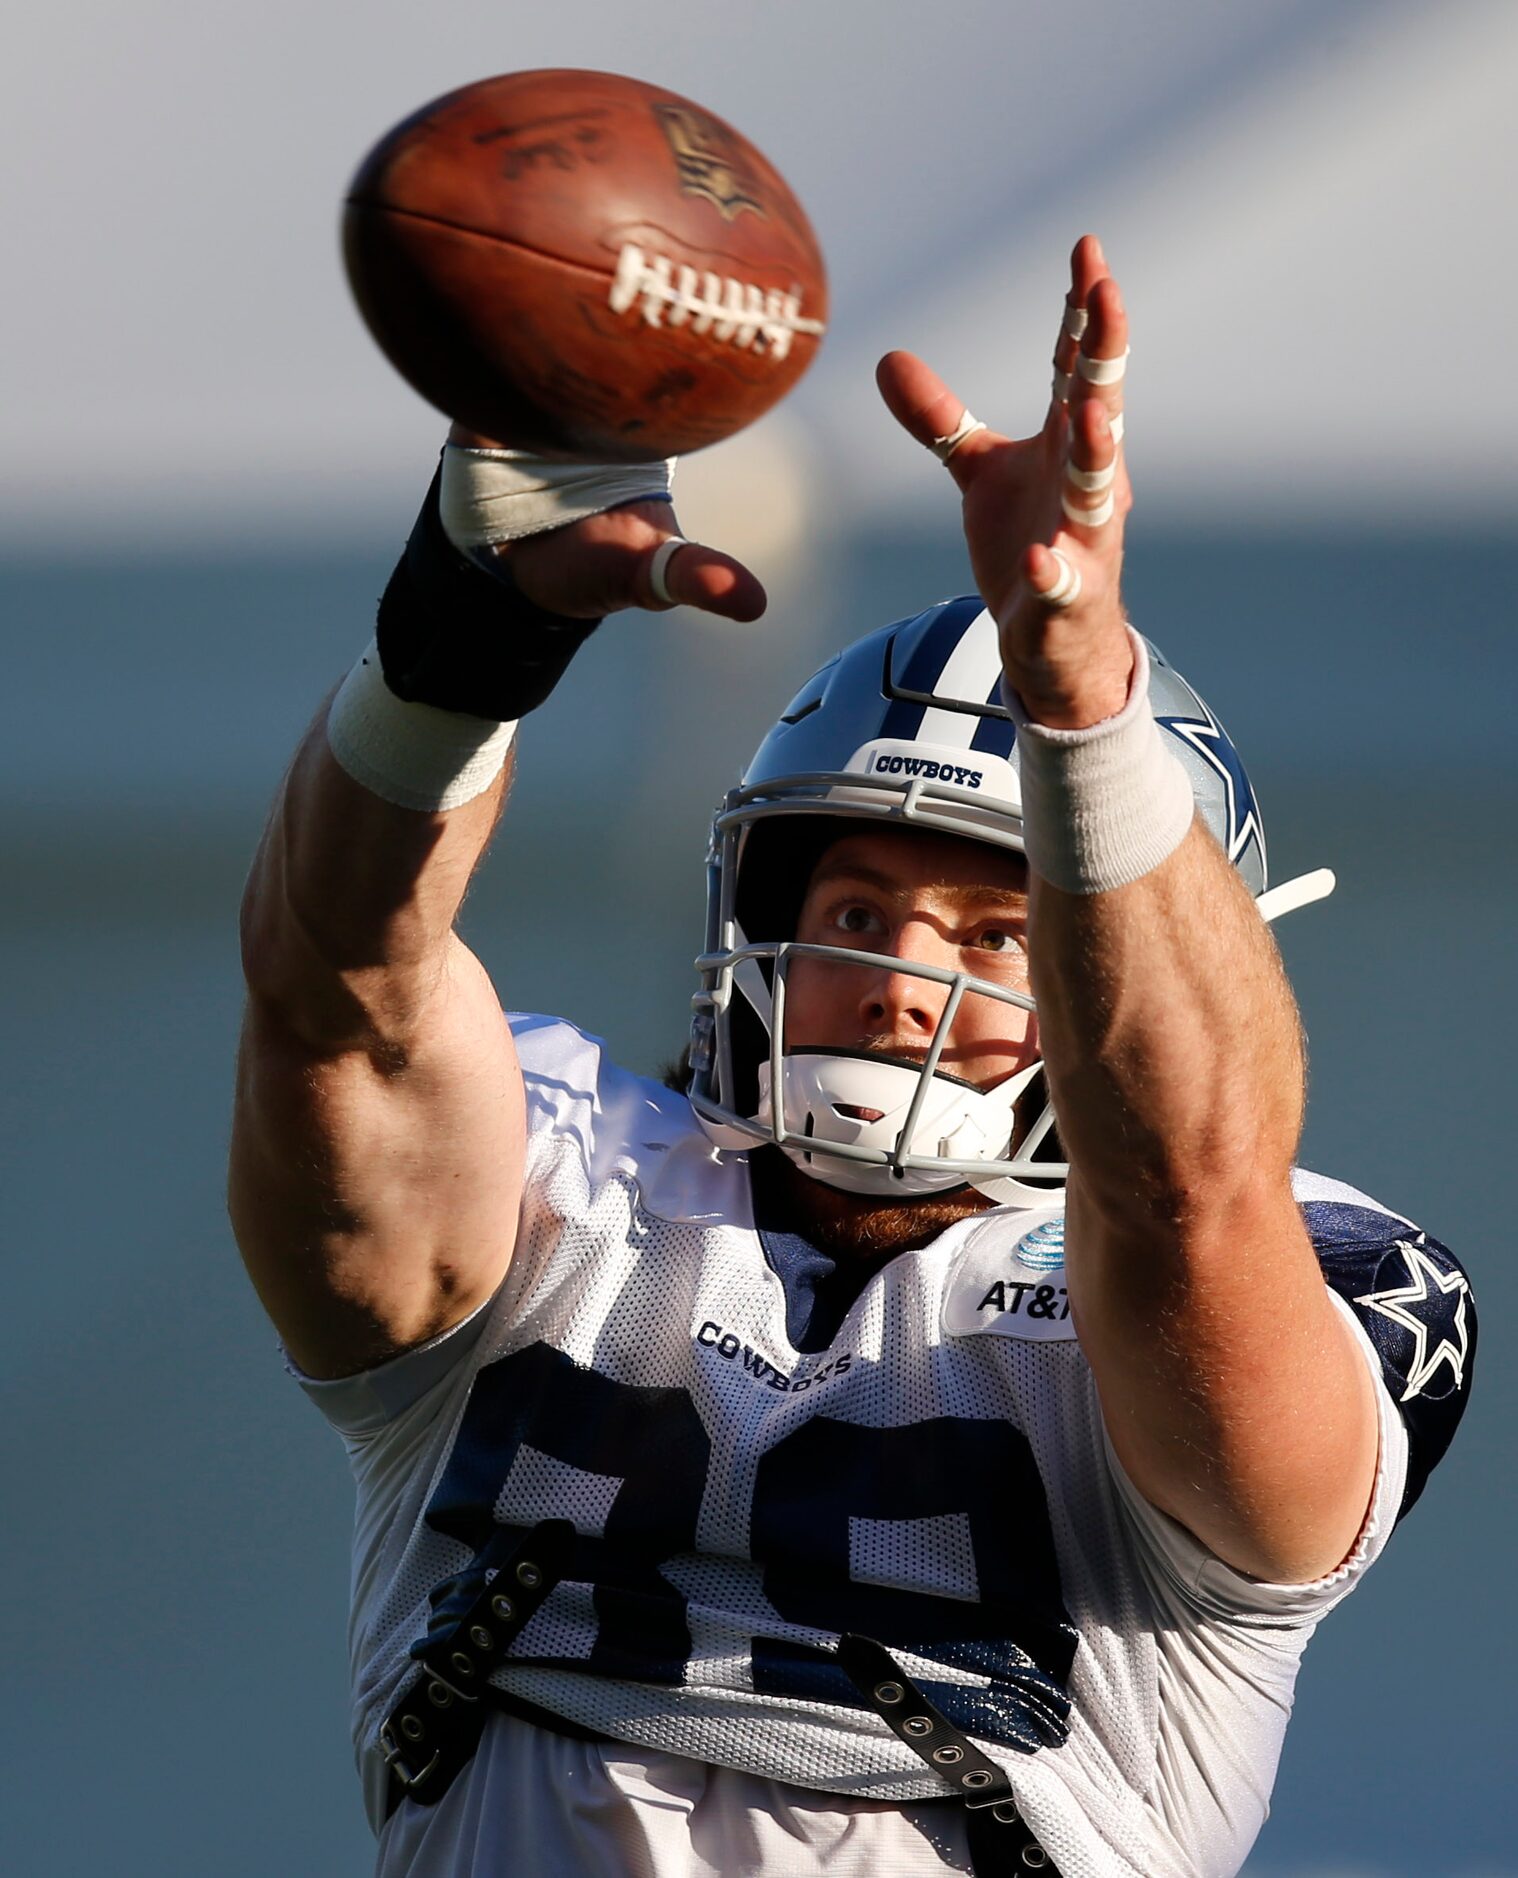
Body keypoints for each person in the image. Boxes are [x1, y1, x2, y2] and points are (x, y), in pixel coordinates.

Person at [230, 237, 1474, 1877]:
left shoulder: (1328, 1263)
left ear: (1133, 954)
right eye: (862, 904)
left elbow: (1188, 1192)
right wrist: (454, 638)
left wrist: (1085, 714)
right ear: (753, 918)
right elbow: (339, 987)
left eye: (996, 933)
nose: (898, 978)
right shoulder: (568, 1169)